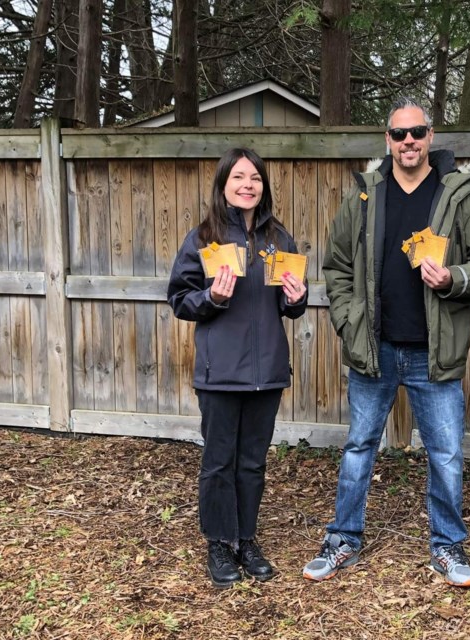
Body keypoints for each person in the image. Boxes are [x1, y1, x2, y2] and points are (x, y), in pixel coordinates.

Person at [302, 97, 470, 587]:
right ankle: (343, 537)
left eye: (417, 132)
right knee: (359, 446)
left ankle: (447, 546)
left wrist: (453, 276)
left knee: (447, 453)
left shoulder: (459, 194)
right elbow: (338, 268)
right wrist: (350, 322)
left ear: (430, 137)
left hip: (434, 353)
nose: (408, 141)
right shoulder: (366, 194)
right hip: (375, 349)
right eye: (399, 134)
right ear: (386, 140)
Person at [167, 147, 308, 589]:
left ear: (263, 187)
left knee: (252, 462)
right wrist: (212, 298)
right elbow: (179, 299)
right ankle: (219, 541)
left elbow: (290, 308)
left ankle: (246, 538)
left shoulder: (278, 239)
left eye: (256, 179)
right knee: (218, 461)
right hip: (220, 371)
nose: (248, 185)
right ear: (224, 184)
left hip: (267, 371)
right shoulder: (204, 238)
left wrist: (297, 296)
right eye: (239, 178)